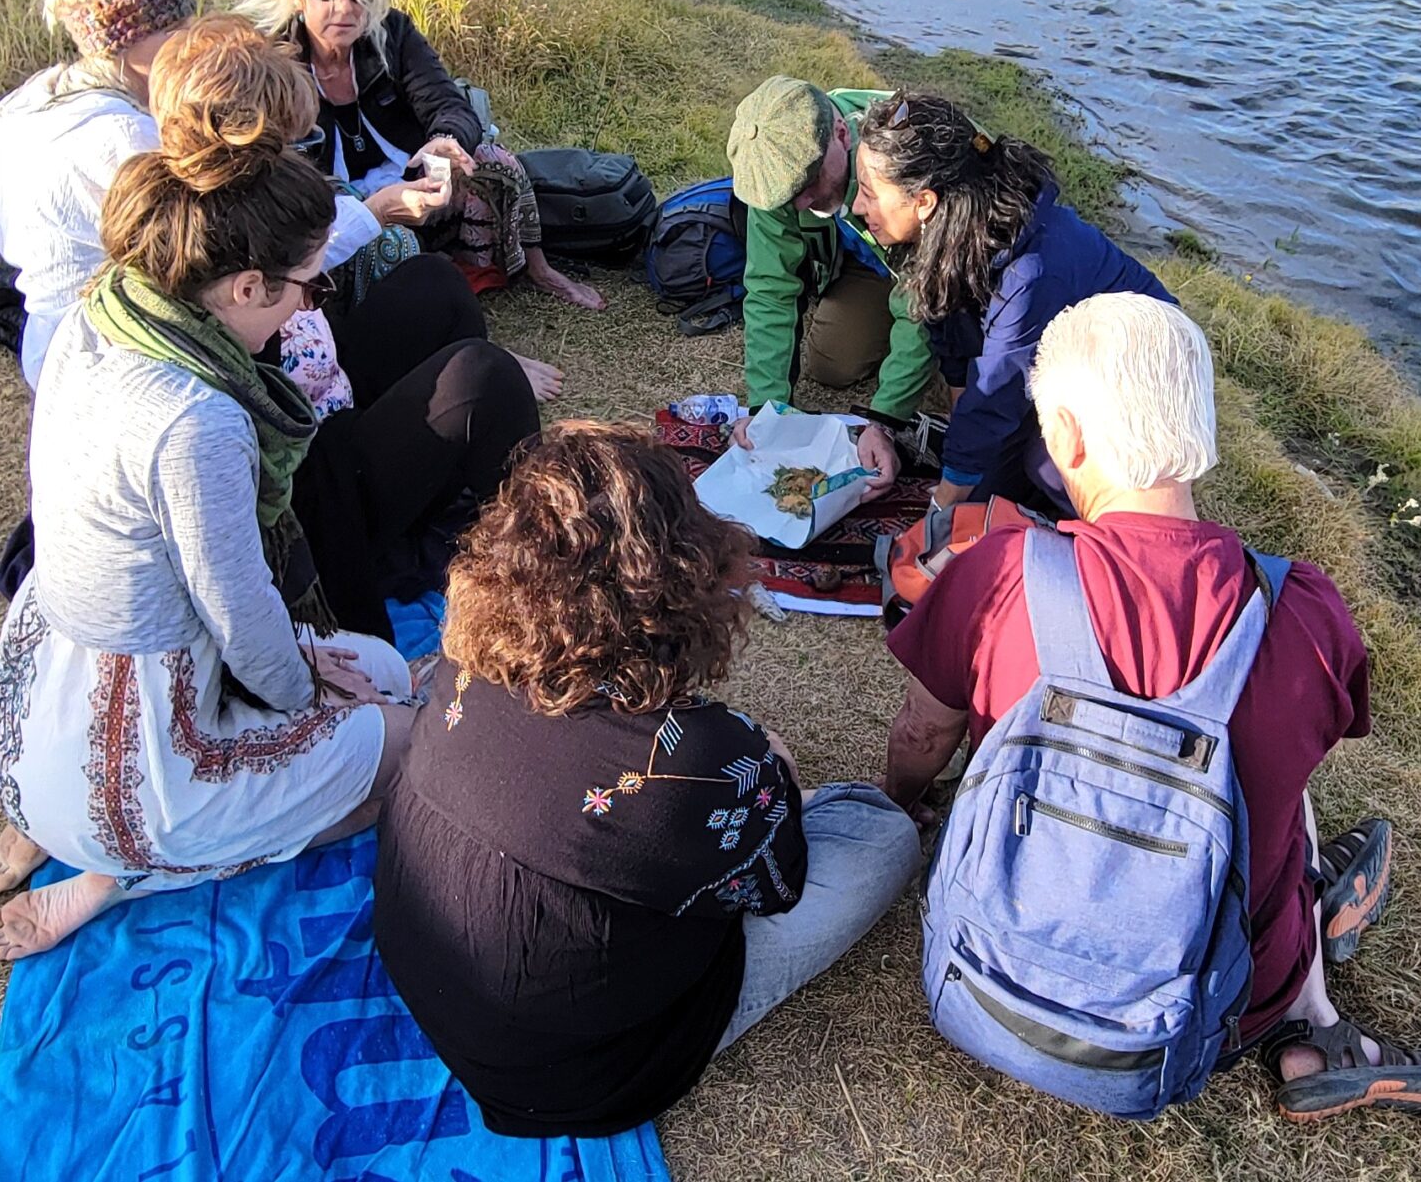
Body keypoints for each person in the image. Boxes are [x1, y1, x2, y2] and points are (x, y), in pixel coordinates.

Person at [0, 22, 538, 962]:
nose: (311, 307)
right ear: (241, 288)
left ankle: (89, 835)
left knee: (390, 671)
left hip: (52, 702)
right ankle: (125, 867)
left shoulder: (103, 309)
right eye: (298, 290)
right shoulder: (196, 421)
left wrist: (329, 663)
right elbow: (243, 622)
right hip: (141, 736)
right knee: (405, 743)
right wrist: (323, 689)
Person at [878, 293, 1421, 1120]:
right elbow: (1283, 775)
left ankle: (1318, 956)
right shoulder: (1303, 610)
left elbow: (922, 731)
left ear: (1071, 436)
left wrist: (900, 805)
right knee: (1274, 785)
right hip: (1202, 1015)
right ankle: (1313, 1024)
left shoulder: (997, 574)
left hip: (981, 983)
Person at [373, 423, 921, 1138]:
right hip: (580, 1076)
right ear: (678, 584)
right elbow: (777, 885)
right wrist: (771, 769)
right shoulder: (696, 761)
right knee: (882, 833)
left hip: (437, 977)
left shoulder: (461, 655)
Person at [0, 0, 386, 386]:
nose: (189, 39)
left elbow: (9, 242)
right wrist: (373, 213)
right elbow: (243, 261)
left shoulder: (28, 106)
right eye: (174, 29)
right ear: (128, 43)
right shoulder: (128, 138)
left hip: (49, 338)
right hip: (113, 356)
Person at [242, 0, 606, 351]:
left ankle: (537, 268)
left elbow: (447, 102)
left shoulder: (392, 33)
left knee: (495, 161)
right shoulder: (273, 59)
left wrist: (445, 142)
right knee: (393, 245)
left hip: (413, 179)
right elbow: (283, 169)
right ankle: (445, 335)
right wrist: (370, 204)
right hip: (334, 202)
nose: (346, 7)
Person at [852, 91, 1172, 515]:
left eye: (869, 194)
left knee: (1050, 465)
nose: (857, 207)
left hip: (1140, 371)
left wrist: (941, 507)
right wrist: (963, 457)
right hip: (1054, 361)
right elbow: (957, 350)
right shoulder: (948, 228)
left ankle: (1118, 528)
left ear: (924, 201)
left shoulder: (1029, 270)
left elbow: (994, 390)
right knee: (983, 490)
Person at [723, 77, 928, 487]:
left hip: (936, 265)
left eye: (808, 184)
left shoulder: (905, 159)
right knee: (832, 364)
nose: (799, 204)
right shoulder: (778, 178)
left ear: (840, 134)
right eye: (787, 196)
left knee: (953, 361)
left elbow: (926, 291)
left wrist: (886, 418)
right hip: (867, 265)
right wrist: (766, 408)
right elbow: (769, 290)